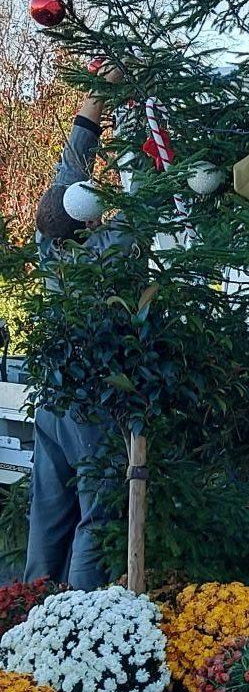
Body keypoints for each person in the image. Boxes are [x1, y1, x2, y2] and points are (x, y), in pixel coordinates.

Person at [25, 74, 131, 590]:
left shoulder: (50, 246)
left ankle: (26, 611)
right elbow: (144, 200)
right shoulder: (107, 252)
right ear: (88, 221)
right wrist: (135, 115)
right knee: (98, 514)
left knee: (47, 514)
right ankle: (81, 620)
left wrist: (94, 101)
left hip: (52, 401)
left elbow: (68, 175)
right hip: (92, 405)